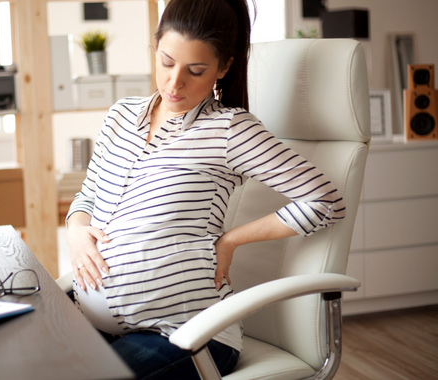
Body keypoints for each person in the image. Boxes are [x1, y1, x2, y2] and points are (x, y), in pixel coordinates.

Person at [65, 0, 346, 378]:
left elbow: (324, 201)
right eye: (166, 62)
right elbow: (89, 195)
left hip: (186, 333)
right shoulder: (119, 116)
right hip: (95, 320)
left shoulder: (230, 130)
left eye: (195, 71)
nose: (174, 83)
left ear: (223, 67)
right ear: (155, 47)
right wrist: (77, 232)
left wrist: (230, 240)